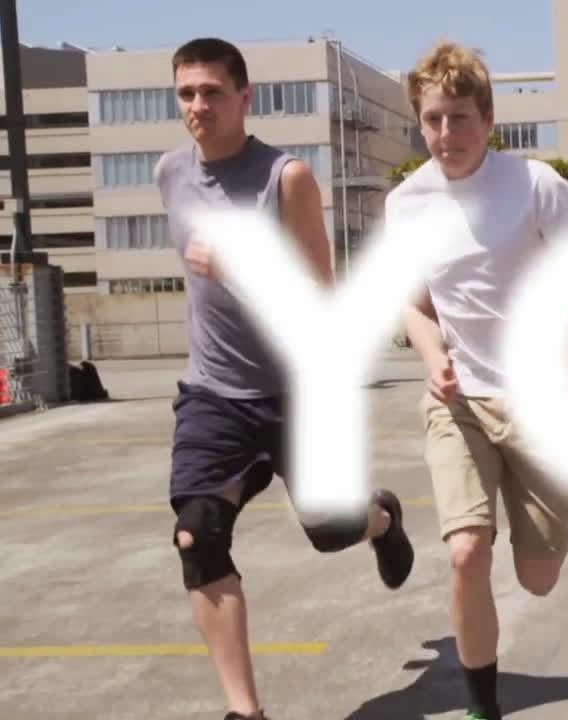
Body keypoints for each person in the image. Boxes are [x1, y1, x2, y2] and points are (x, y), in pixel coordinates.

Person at [156, 38, 416, 720]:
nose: (198, 105)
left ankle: (381, 517)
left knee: (331, 530)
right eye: (186, 93)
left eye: (213, 92)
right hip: (214, 394)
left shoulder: (286, 178)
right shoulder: (170, 174)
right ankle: (245, 711)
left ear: (245, 97)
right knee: (197, 534)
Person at [388, 40, 568, 720]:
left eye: (459, 118)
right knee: (465, 552)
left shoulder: (536, 186)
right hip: (457, 401)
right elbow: (411, 304)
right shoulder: (407, 204)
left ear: (487, 119)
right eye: (432, 120)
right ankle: (483, 705)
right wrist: (431, 352)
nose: (445, 134)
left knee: (537, 579)